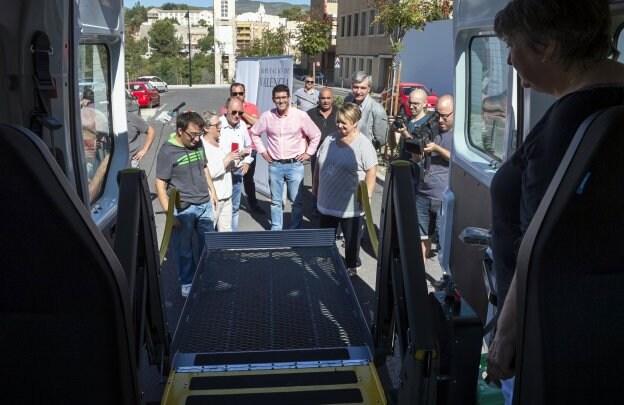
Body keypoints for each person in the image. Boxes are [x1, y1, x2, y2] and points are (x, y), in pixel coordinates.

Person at [485, 1, 624, 401]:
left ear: (546, 46)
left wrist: (506, 335)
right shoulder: (611, 102)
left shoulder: (568, 121)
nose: (509, 59)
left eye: (512, 45)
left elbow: (536, 243)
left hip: (543, 333)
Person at [155, 111, 218, 298]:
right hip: (183, 209)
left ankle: (208, 279)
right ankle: (187, 282)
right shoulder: (167, 151)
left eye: (199, 134)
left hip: (204, 204)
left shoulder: (198, 144)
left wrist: (212, 191)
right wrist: (169, 214)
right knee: (184, 250)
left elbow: (204, 167)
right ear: (180, 130)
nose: (197, 139)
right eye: (193, 135)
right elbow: (160, 184)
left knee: (209, 246)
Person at [312, 103, 378, 277]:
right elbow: (319, 163)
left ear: (355, 122)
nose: (339, 126)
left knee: (351, 239)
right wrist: (316, 185)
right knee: (325, 235)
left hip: (350, 203)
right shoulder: (330, 139)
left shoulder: (363, 144)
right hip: (327, 200)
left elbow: (372, 169)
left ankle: (352, 264)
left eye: (344, 123)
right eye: (338, 122)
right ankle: (325, 259)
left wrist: (367, 195)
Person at [250, 84, 321, 230]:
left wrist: (309, 153)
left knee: (297, 202)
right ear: (273, 99)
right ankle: (277, 230)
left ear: (289, 98)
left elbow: (316, 134)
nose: (281, 101)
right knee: (276, 201)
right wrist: (263, 151)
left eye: (284, 97)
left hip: (295, 165)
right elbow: (255, 133)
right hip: (275, 166)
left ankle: (294, 231)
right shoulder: (267, 116)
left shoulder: (300, 116)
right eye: (278, 98)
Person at [415, 95, 453, 266]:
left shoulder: (460, 136)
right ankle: (419, 277)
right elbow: (416, 158)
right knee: (422, 238)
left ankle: (446, 279)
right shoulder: (432, 130)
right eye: (438, 115)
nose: (441, 119)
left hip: (442, 197)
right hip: (423, 194)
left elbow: (457, 160)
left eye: (445, 116)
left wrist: (437, 148)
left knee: (444, 242)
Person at [226, 82, 265, 214]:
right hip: (233, 150)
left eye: (240, 93)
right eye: (234, 94)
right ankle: (230, 205)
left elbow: (257, 123)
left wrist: (241, 113)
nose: (238, 96)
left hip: (250, 149)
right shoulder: (225, 107)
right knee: (232, 179)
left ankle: (253, 204)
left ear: (244, 93)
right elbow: (232, 125)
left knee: (249, 178)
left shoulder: (252, 107)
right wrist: (248, 124)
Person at [219, 97, 254, 231]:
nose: (237, 116)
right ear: (226, 109)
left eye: (240, 113)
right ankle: (218, 239)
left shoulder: (243, 125)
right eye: (234, 112)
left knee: (234, 207)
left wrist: (246, 162)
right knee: (219, 207)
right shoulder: (218, 125)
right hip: (222, 173)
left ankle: (231, 238)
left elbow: (248, 146)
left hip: (237, 172)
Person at [201, 113, 240, 232]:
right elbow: (209, 173)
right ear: (206, 128)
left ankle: (225, 251)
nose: (220, 126)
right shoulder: (202, 146)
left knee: (226, 234)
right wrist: (227, 159)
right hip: (213, 198)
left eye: (220, 123)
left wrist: (237, 159)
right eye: (217, 124)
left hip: (227, 196)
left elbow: (229, 168)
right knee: (208, 233)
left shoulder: (221, 141)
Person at [307, 87, 338, 216]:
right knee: (317, 179)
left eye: (328, 98)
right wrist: (307, 150)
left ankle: (331, 205)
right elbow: (303, 133)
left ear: (333, 99)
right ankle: (316, 205)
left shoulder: (339, 113)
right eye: (323, 98)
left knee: (333, 180)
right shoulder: (310, 114)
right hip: (316, 154)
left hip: (336, 153)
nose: (325, 101)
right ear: (318, 99)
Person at [344, 71, 388, 148]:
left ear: (369, 88)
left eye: (363, 88)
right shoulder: (347, 101)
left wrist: (367, 150)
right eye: (356, 87)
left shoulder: (377, 109)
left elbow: (381, 140)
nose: (358, 91)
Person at [393, 88, 433, 161]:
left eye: (415, 104)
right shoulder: (406, 120)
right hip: (403, 166)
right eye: (410, 103)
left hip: (417, 169)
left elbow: (419, 157)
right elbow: (393, 144)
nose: (411, 107)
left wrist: (406, 135)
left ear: (424, 103)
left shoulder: (428, 123)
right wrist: (391, 129)